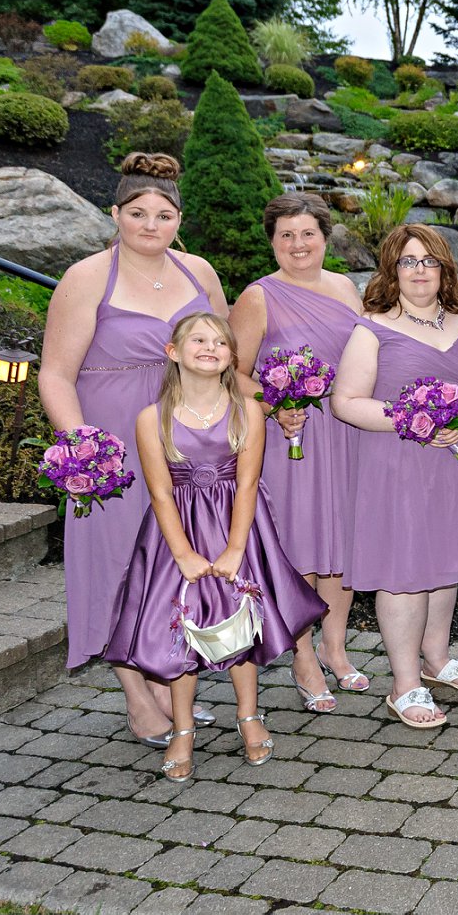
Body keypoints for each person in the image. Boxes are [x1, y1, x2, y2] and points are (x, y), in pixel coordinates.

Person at [38, 153, 228, 746]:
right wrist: (81, 445)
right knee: (117, 561)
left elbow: (222, 354)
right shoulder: (87, 276)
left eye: (164, 215)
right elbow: (54, 374)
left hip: (185, 434)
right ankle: (137, 696)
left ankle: (175, 679)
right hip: (113, 440)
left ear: (179, 219)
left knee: (179, 560)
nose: (151, 225)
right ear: (115, 214)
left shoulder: (200, 272)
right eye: (138, 213)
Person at [103, 313, 328, 783]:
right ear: (173, 352)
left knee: (239, 623)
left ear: (231, 355)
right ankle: (182, 729)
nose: (210, 347)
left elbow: (248, 485)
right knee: (180, 628)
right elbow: (160, 493)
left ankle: (249, 716)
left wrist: (234, 549)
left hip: (236, 528)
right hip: (176, 534)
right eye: (198, 340)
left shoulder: (247, 411)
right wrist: (182, 553)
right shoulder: (152, 418)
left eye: (220, 341)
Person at [332, 226, 458, 729]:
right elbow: (347, 401)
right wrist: (411, 417)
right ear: (391, 271)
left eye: (429, 261)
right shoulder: (371, 327)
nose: (420, 271)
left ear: (445, 268)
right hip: (397, 463)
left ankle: (437, 659)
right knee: (403, 571)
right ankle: (403, 684)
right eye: (408, 262)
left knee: (446, 560)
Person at [229, 193, 367, 715]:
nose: (298, 244)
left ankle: (336, 648)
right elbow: (233, 373)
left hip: (346, 432)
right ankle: (303, 657)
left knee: (341, 545)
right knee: (301, 546)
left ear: (325, 238)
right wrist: (273, 405)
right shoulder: (258, 297)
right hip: (294, 439)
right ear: (272, 242)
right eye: (285, 235)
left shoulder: (345, 288)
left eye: (307, 233)